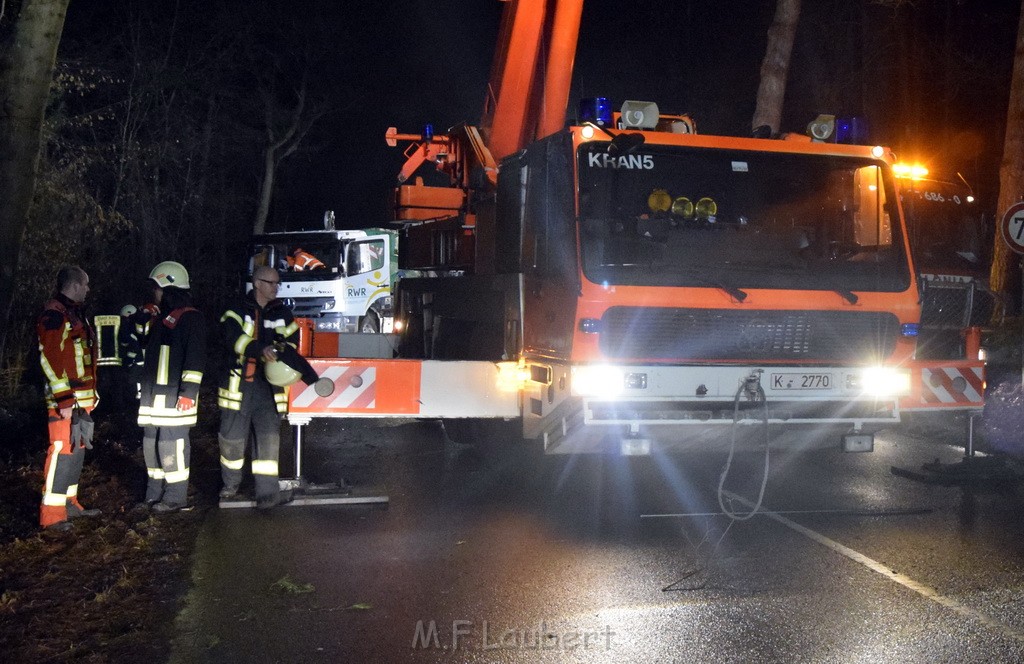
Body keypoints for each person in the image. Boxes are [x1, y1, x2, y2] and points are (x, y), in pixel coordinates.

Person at [217, 265, 299, 508]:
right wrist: (259, 349)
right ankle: (230, 487)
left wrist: (280, 351)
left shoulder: (283, 312)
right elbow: (232, 338)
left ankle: (267, 493)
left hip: (269, 388)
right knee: (232, 439)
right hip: (239, 384)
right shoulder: (235, 309)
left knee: (269, 439)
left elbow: (292, 341)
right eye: (271, 283)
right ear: (257, 283)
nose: (276, 288)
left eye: (278, 283)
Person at [136, 261, 205, 514]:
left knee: (171, 445)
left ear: (169, 288)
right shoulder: (160, 319)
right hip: (153, 396)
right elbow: (143, 345)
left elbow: (195, 358)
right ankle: (153, 495)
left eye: (157, 288)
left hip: (175, 396)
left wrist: (189, 393)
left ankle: (175, 496)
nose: (154, 293)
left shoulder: (191, 318)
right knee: (151, 444)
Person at [37, 266, 102, 532]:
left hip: (82, 399)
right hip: (66, 402)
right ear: (74, 285)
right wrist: (64, 399)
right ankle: (52, 516)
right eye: (85, 284)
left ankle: (69, 504)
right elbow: (50, 358)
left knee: (75, 451)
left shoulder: (74, 314)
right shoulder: (55, 315)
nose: (88, 289)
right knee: (62, 452)